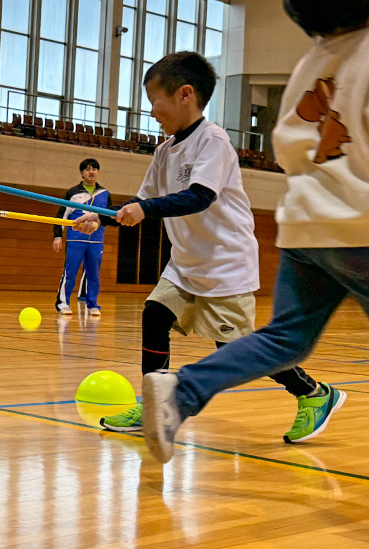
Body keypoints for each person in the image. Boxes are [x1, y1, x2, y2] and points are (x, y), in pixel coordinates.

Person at [140, 0, 367, 463]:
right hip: (359, 226)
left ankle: (183, 391)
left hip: (306, 228)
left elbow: (287, 144)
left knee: (282, 338)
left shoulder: (311, 64)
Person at [75, 51, 335, 445]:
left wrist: (142, 209)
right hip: (185, 263)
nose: (151, 112)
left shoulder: (213, 141)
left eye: (154, 101)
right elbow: (144, 200)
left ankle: (313, 393)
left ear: (184, 95)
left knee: (236, 348)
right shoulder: (164, 152)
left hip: (224, 266)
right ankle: (153, 406)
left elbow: (199, 197)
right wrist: (103, 217)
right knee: (154, 315)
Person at [52, 158, 113, 317]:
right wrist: (57, 236)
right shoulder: (72, 193)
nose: (91, 172)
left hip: (96, 240)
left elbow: (108, 218)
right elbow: (62, 215)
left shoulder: (105, 194)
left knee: (94, 274)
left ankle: (93, 304)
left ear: (98, 172)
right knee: (70, 272)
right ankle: (63, 303)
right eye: (87, 169)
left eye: (94, 169)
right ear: (81, 173)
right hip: (75, 239)